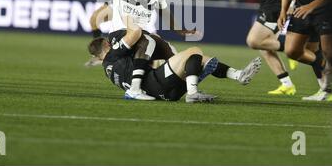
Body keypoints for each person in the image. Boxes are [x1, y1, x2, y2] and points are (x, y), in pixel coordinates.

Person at [66, 0, 197, 99]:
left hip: (144, 32)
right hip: (122, 33)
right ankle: (134, 88)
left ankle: (187, 90)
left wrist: (180, 30)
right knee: (146, 41)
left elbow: (164, 12)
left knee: (171, 52)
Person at [88, 25, 262, 103]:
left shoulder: (107, 68)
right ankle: (193, 92)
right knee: (194, 51)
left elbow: (131, 66)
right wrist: (123, 33)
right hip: (155, 84)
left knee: (199, 59)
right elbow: (137, 32)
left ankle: (238, 75)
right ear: (107, 45)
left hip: (163, 93)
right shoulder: (113, 52)